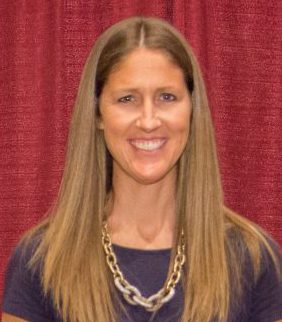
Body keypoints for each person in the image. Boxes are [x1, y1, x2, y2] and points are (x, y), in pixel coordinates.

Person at [2, 16, 282, 322]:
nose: (148, 121)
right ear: (98, 114)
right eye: (127, 99)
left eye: (167, 97)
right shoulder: (41, 260)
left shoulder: (253, 259)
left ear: (192, 109)